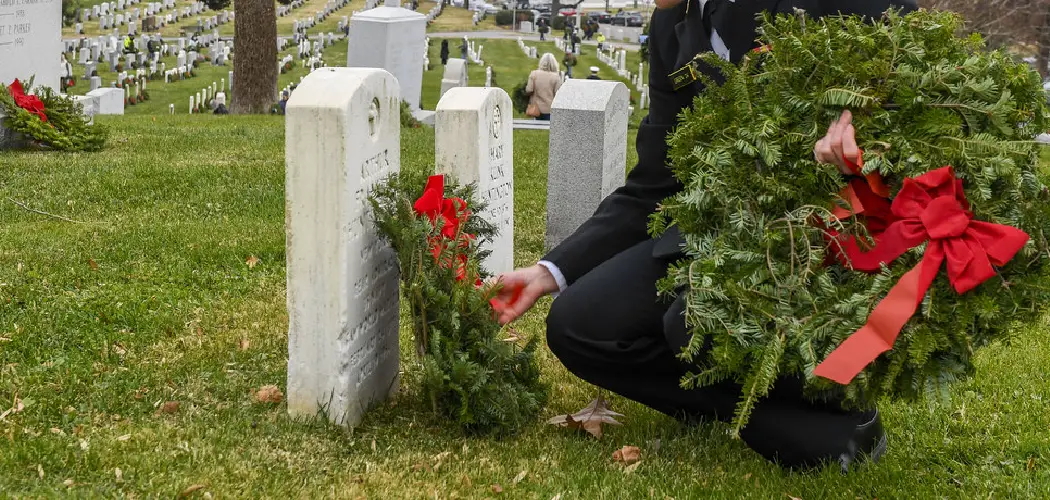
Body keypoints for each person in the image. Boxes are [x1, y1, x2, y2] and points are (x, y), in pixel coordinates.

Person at [491, 0, 919, 473]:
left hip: (833, 232)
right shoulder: (674, 22)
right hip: (723, 229)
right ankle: (747, 408)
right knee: (580, 326)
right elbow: (658, 179)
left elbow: (915, 74)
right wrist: (550, 271)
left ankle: (836, 415)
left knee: (693, 318)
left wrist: (867, 133)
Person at [526, 53, 563, 121]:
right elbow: (558, 95)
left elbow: (529, 90)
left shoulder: (534, 74)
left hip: (535, 108)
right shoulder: (556, 77)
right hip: (549, 109)